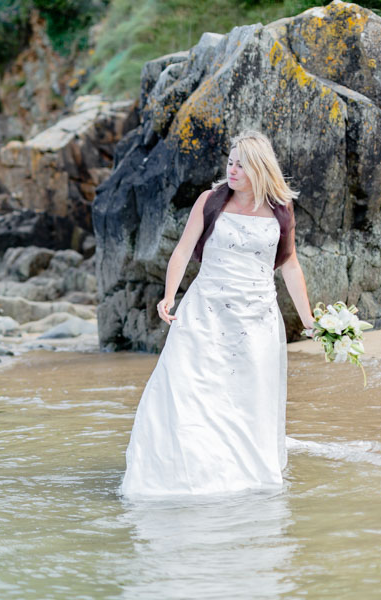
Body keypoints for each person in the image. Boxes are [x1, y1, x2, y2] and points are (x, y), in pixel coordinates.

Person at [121, 131, 315, 496]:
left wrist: (308, 319)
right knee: (188, 388)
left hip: (256, 320)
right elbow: (182, 251)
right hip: (204, 312)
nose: (233, 169)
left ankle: (243, 479)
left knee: (245, 397)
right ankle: (184, 472)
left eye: (241, 163)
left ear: (259, 167)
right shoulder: (210, 201)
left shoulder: (280, 209)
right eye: (230, 161)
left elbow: (290, 265)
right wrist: (169, 296)